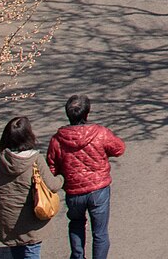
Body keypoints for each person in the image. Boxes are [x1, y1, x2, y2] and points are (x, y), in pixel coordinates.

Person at [47, 95, 121, 259]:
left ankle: (78, 256)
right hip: (98, 189)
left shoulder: (57, 139)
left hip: (73, 192)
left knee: (76, 223)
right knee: (100, 232)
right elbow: (119, 149)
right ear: (87, 113)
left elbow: (51, 167)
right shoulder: (100, 133)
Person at [0, 115, 49, 259]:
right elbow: (52, 185)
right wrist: (62, 178)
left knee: (17, 252)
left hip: (8, 221)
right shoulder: (36, 159)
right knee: (31, 252)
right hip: (32, 222)